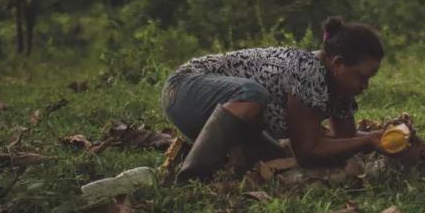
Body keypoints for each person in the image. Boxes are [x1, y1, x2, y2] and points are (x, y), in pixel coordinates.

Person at [160, 17, 388, 181]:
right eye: (361, 77)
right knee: (252, 94)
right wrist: (368, 140)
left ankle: (210, 157)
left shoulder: (340, 90)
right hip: (183, 89)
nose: (365, 86)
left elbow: (345, 139)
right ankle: (192, 175)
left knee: (277, 158)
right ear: (338, 64)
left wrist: (384, 137)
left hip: (216, 112)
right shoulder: (308, 70)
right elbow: (308, 152)